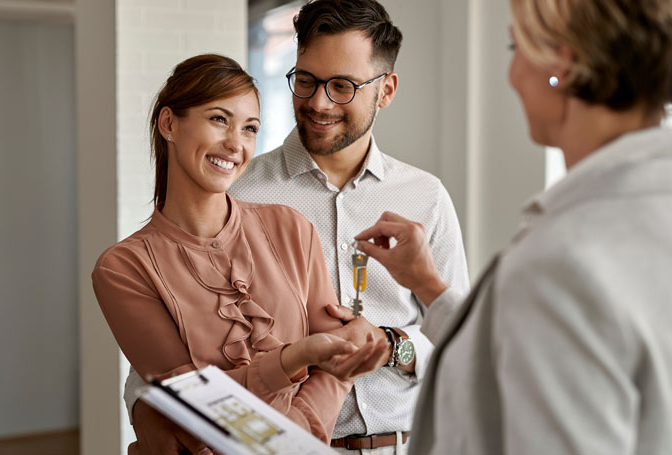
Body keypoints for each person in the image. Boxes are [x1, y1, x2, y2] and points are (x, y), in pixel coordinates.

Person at [125, 0, 469, 453]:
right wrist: (143, 410)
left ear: (385, 90)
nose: (318, 102)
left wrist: (391, 346)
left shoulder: (426, 197)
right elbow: (165, 353)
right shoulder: (237, 193)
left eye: (342, 86)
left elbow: (459, 336)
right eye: (305, 80)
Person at [354, 0, 672, 453]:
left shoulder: (561, 264)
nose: (512, 75)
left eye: (514, 46)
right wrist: (426, 283)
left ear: (560, 62)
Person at [92, 54, 389, 455]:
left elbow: (337, 367)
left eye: (250, 128)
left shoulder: (291, 228)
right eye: (219, 119)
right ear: (169, 124)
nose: (236, 144)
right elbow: (191, 404)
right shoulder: (124, 268)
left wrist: (290, 442)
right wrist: (294, 358)